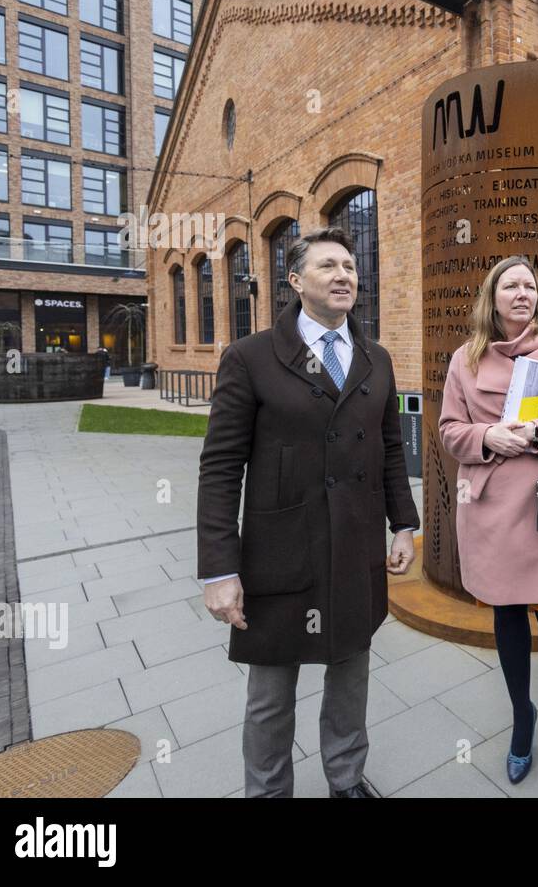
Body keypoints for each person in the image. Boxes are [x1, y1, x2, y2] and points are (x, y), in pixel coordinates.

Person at [197, 226, 418, 798]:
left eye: (350, 265)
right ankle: (269, 792)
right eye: (328, 266)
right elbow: (221, 467)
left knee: (351, 673)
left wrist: (405, 524)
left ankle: (345, 780)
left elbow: (391, 447)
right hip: (280, 552)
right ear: (295, 281)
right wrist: (219, 571)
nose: (345, 274)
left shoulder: (377, 358)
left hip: (356, 546)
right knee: (271, 693)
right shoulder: (250, 358)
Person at [439, 255, 538, 784]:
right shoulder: (465, 358)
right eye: (511, 285)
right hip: (491, 512)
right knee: (507, 620)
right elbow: (448, 432)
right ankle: (521, 717)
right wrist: (487, 437)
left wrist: (531, 435)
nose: (522, 293)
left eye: (530, 285)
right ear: (493, 296)